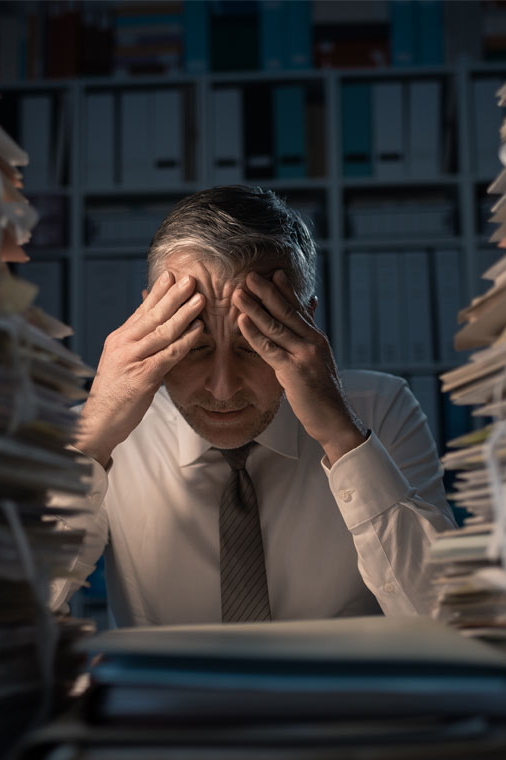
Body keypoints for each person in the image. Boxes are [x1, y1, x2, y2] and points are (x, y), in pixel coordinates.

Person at [51, 186, 455, 626]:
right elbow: (6, 620)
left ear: (304, 324)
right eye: (196, 348)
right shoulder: (99, 438)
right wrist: (89, 444)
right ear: (153, 324)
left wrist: (343, 439)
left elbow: (451, 626)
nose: (223, 391)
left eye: (253, 347)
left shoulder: (380, 410)